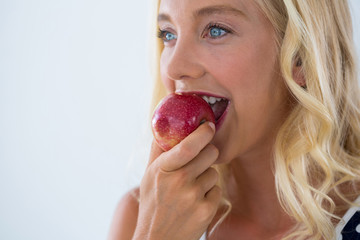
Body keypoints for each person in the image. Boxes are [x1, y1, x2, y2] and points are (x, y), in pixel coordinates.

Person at [108, 0, 360, 239]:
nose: (174, 67)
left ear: (301, 57)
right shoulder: (140, 219)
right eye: (168, 34)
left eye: (216, 30)